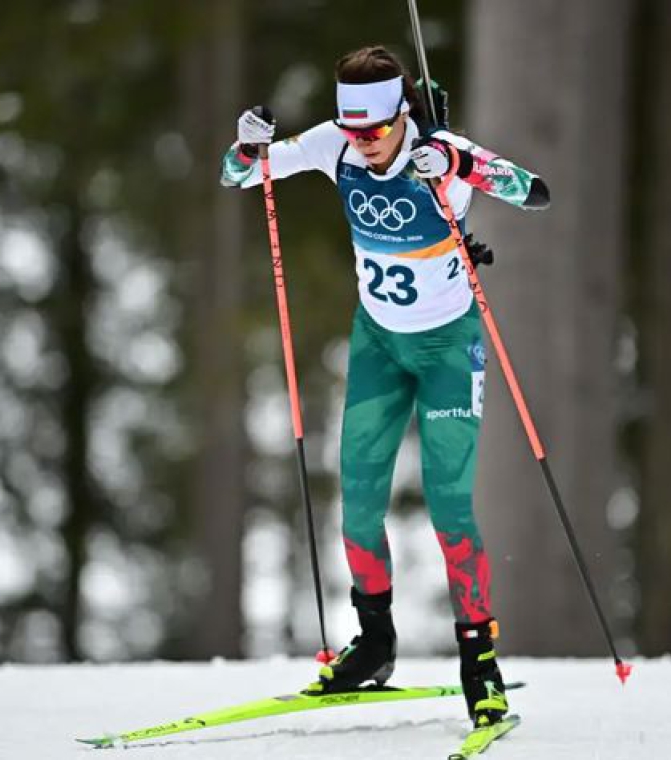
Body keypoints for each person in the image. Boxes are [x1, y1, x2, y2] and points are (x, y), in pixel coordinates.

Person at [220, 45, 549, 728]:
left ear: (402, 115)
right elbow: (240, 176)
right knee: (358, 507)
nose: (363, 142)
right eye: (353, 129)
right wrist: (247, 145)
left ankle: (479, 663)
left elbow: (533, 191)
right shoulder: (334, 145)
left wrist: (457, 166)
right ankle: (374, 644)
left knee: (450, 510)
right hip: (378, 345)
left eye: (374, 128)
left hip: (447, 349)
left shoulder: (441, 153)